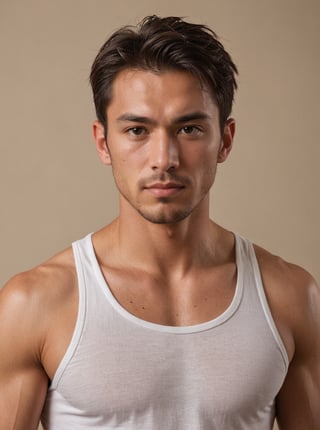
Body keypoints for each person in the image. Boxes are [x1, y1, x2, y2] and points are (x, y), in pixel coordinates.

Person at [0, 15, 319, 430]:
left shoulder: (290, 297)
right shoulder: (36, 304)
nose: (164, 158)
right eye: (137, 130)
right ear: (103, 142)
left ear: (224, 140)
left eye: (189, 128)